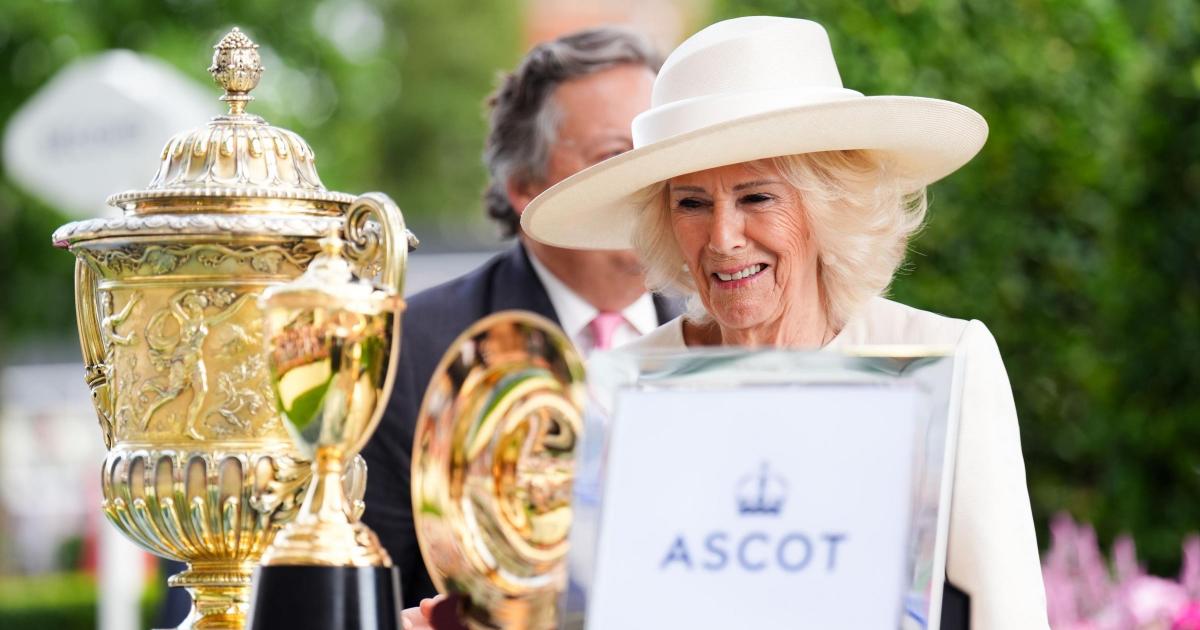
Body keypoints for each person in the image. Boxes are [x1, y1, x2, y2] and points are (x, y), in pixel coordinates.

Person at [521, 16, 1049, 629]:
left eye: (756, 197)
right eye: (691, 203)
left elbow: (1008, 613)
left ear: (830, 204)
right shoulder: (619, 389)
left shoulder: (948, 358)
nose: (722, 239)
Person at [362, 26, 681, 610]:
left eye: (660, 153)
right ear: (522, 186)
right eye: (616, 156)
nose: (650, 183)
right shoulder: (404, 354)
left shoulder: (727, 338)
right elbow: (372, 594)